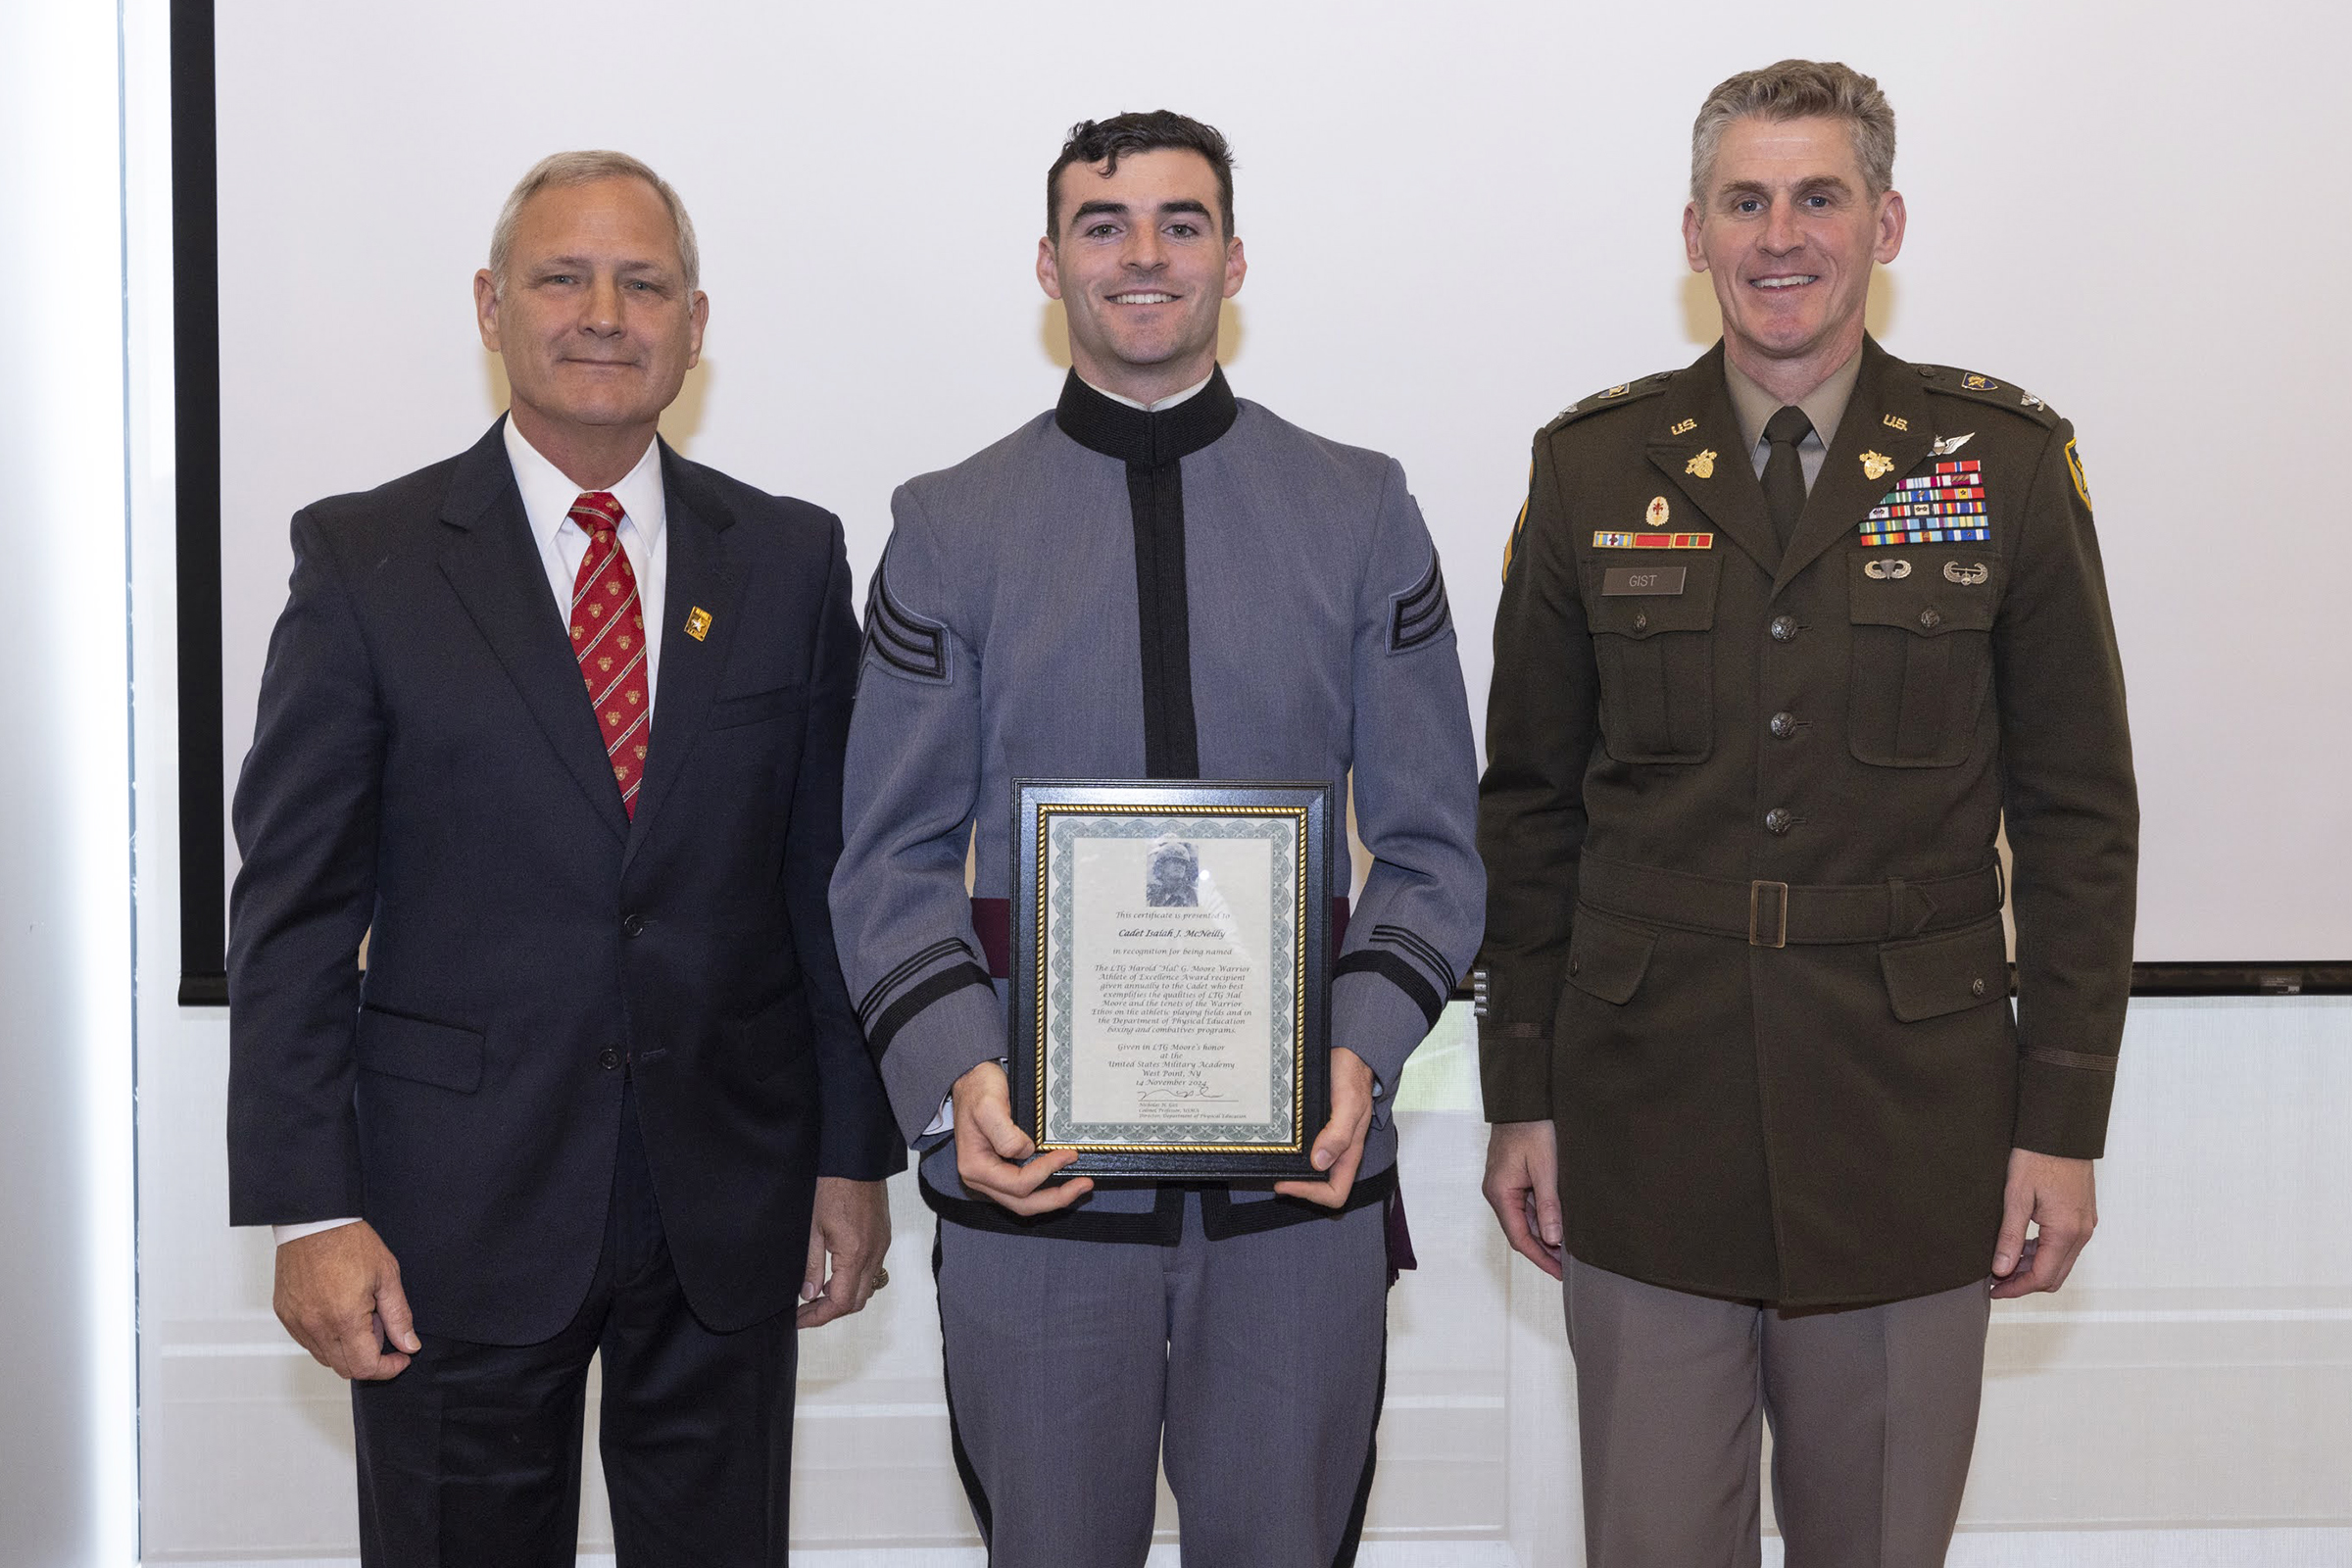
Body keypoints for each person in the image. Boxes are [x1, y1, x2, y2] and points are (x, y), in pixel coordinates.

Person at [1476, 61, 2137, 1567]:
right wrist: (1524, 1086)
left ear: (1885, 220)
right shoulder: (1591, 468)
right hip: (1648, 1117)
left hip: (1913, 1127)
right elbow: (1529, 809)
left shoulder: (2001, 466)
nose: (1783, 236)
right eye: (1746, 199)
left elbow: (2079, 814)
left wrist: (2062, 1121)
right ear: (1695, 233)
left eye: (1820, 196)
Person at [225, 150, 902, 1566]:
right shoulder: (369, 560)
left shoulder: (786, 560)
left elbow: (822, 879)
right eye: (563, 277)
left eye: (643, 283)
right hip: (445, 1221)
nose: (606, 312)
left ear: (695, 324)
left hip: (729, 1212)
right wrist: (310, 1209)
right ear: (491, 306)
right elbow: (291, 913)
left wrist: (850, 1154)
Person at [830, 111, 1483, 1567]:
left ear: (1233, 259)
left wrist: (1360, 1056)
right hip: (1036, 1189)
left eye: (1182, 223)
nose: (1143, 255)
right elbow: (886, 859)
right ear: (1050, 263)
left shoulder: (1361, 508)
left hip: (1300, 1193)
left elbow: (1438, 847)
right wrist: (959, 1091)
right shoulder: (946, 525)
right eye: (1103, 224)